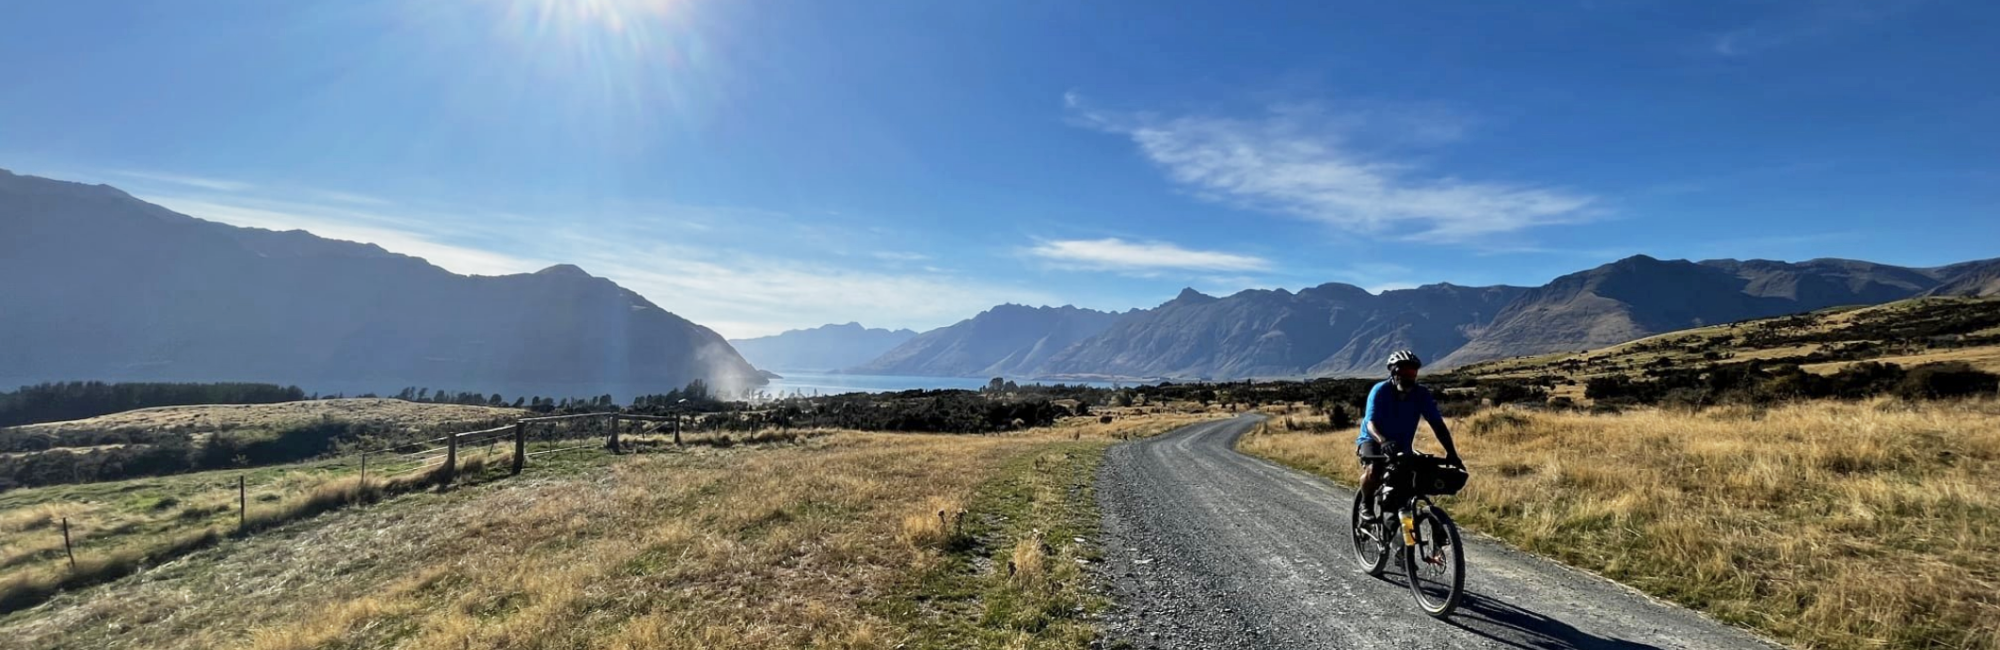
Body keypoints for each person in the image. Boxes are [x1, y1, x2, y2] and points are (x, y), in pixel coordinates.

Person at [1355, 350, 1461, 521]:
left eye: (1412, 372)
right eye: (1403, 372)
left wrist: (1452, 452)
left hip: (1401, 444)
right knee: (1374, 468)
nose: (1407, 376)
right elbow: (1370, 423)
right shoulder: (1380, 391)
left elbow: (1438, 425)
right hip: (1373, 439)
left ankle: (1406, 532)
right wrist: (1383, 441)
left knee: (1408, 485)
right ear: (1393, 372)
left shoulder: (1421, 394)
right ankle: (1365, 503)